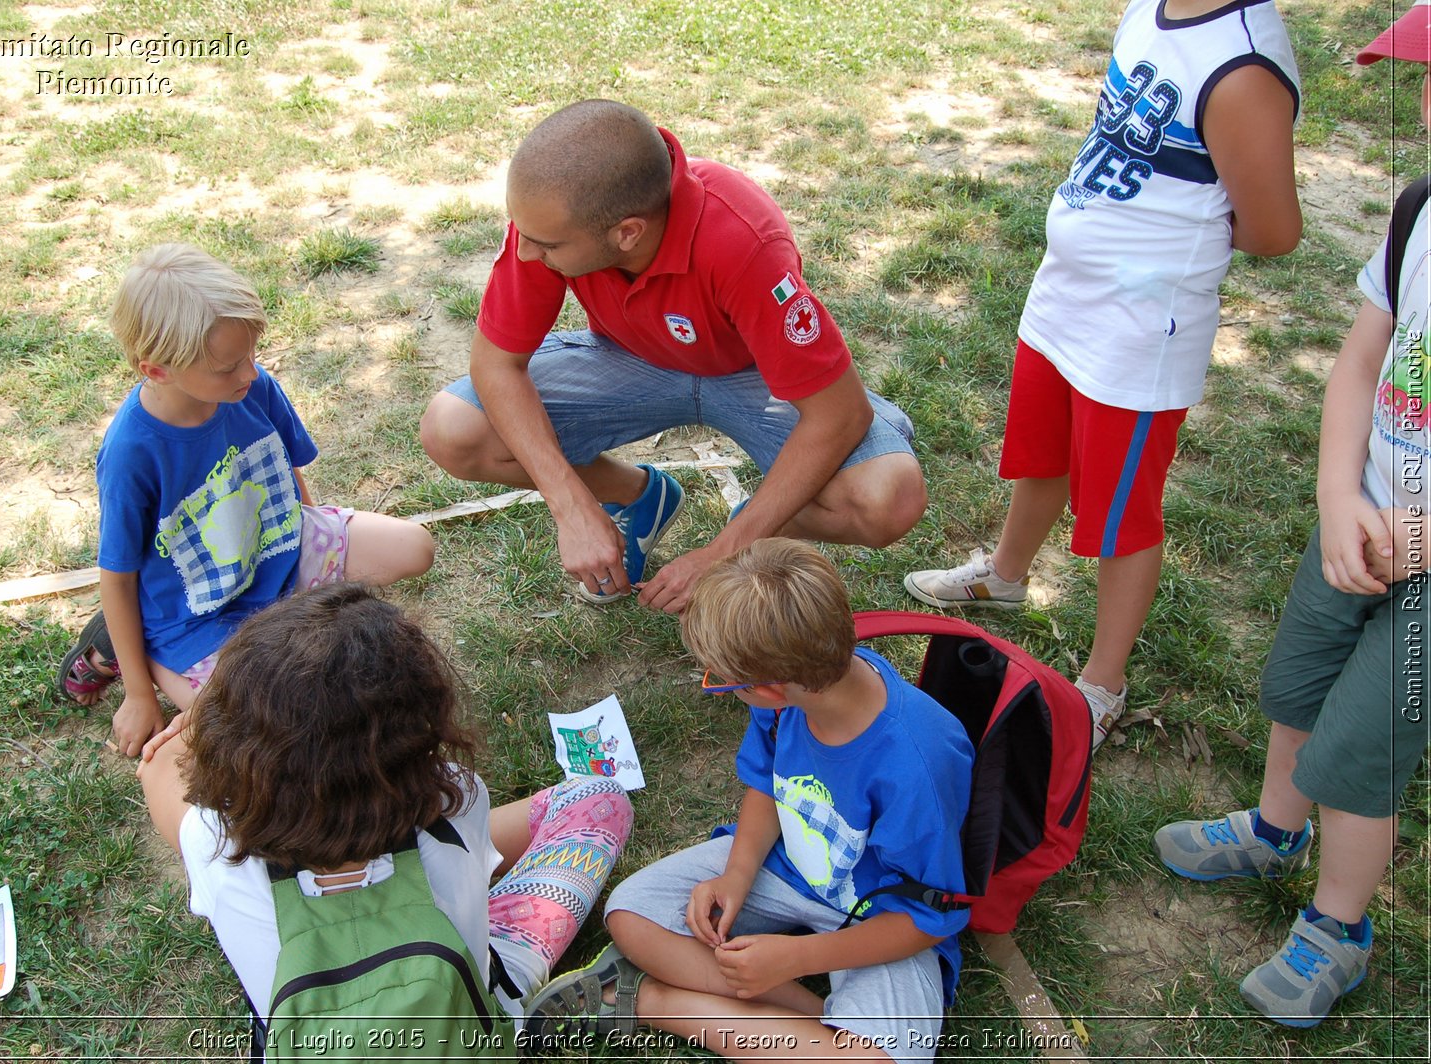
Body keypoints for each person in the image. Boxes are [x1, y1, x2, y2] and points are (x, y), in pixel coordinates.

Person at [902, 0, 1303, 750]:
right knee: (1044, 451)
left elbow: (1274, 230)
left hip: (1142, 328)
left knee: (1121, 513)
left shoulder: (1244, 67)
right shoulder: (1151, 10)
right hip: (1067, 295)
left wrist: (1170, 243)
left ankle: (1102, 683)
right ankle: (1006, 574)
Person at [1153, 1, 1431, 1028]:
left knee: (1363, 747)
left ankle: (1338, 929)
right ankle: (1274, 828)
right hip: (1358, 517)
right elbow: (1361, 359)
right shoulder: (1418, 209)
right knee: (1298, 678)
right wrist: (1335, 496)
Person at [419, 99, 926, 614]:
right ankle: (640, 496)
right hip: (633, 360)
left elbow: (839, 414)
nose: (525, 253)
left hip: (753, 376)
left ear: (628, 233)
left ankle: (755, 521)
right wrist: (570, 505)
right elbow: (495, 364)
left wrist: (721, 553)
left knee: (888, 500)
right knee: (454, 430)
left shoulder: (743, 243)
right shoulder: (551, 218)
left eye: (545, 246)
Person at [525, 539, 973, 1060]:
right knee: (630, 914)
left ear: (770, 689)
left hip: (879, 915)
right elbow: (767, 783)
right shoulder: (793, 698)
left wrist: (799, 957)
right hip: (784, 868)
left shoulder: (918, 762)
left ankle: (659, 1002)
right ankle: (817, 1020)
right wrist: (735, 875)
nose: (716, 687)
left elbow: (927, 918)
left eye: (722, 681)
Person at [136, 582, 635, 1040]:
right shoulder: (457, 801)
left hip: (313, 1032)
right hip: (464, 1022)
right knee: (597, 799)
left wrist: (212, 708)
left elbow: (158, 766)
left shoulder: (213, 842)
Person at [57, 243, 435, 757]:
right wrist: (140, 696)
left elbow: (288, 467)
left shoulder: (249, 386)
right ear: (157, 369)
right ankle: (136, 652)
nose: (249, 374)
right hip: (195, 614)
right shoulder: (131, 454)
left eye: (251, 356)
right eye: (228, 366)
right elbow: (117, 575)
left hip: (275, 554)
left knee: (414, 547)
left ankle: (250, 623)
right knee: (268, 722)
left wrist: (315, 569)